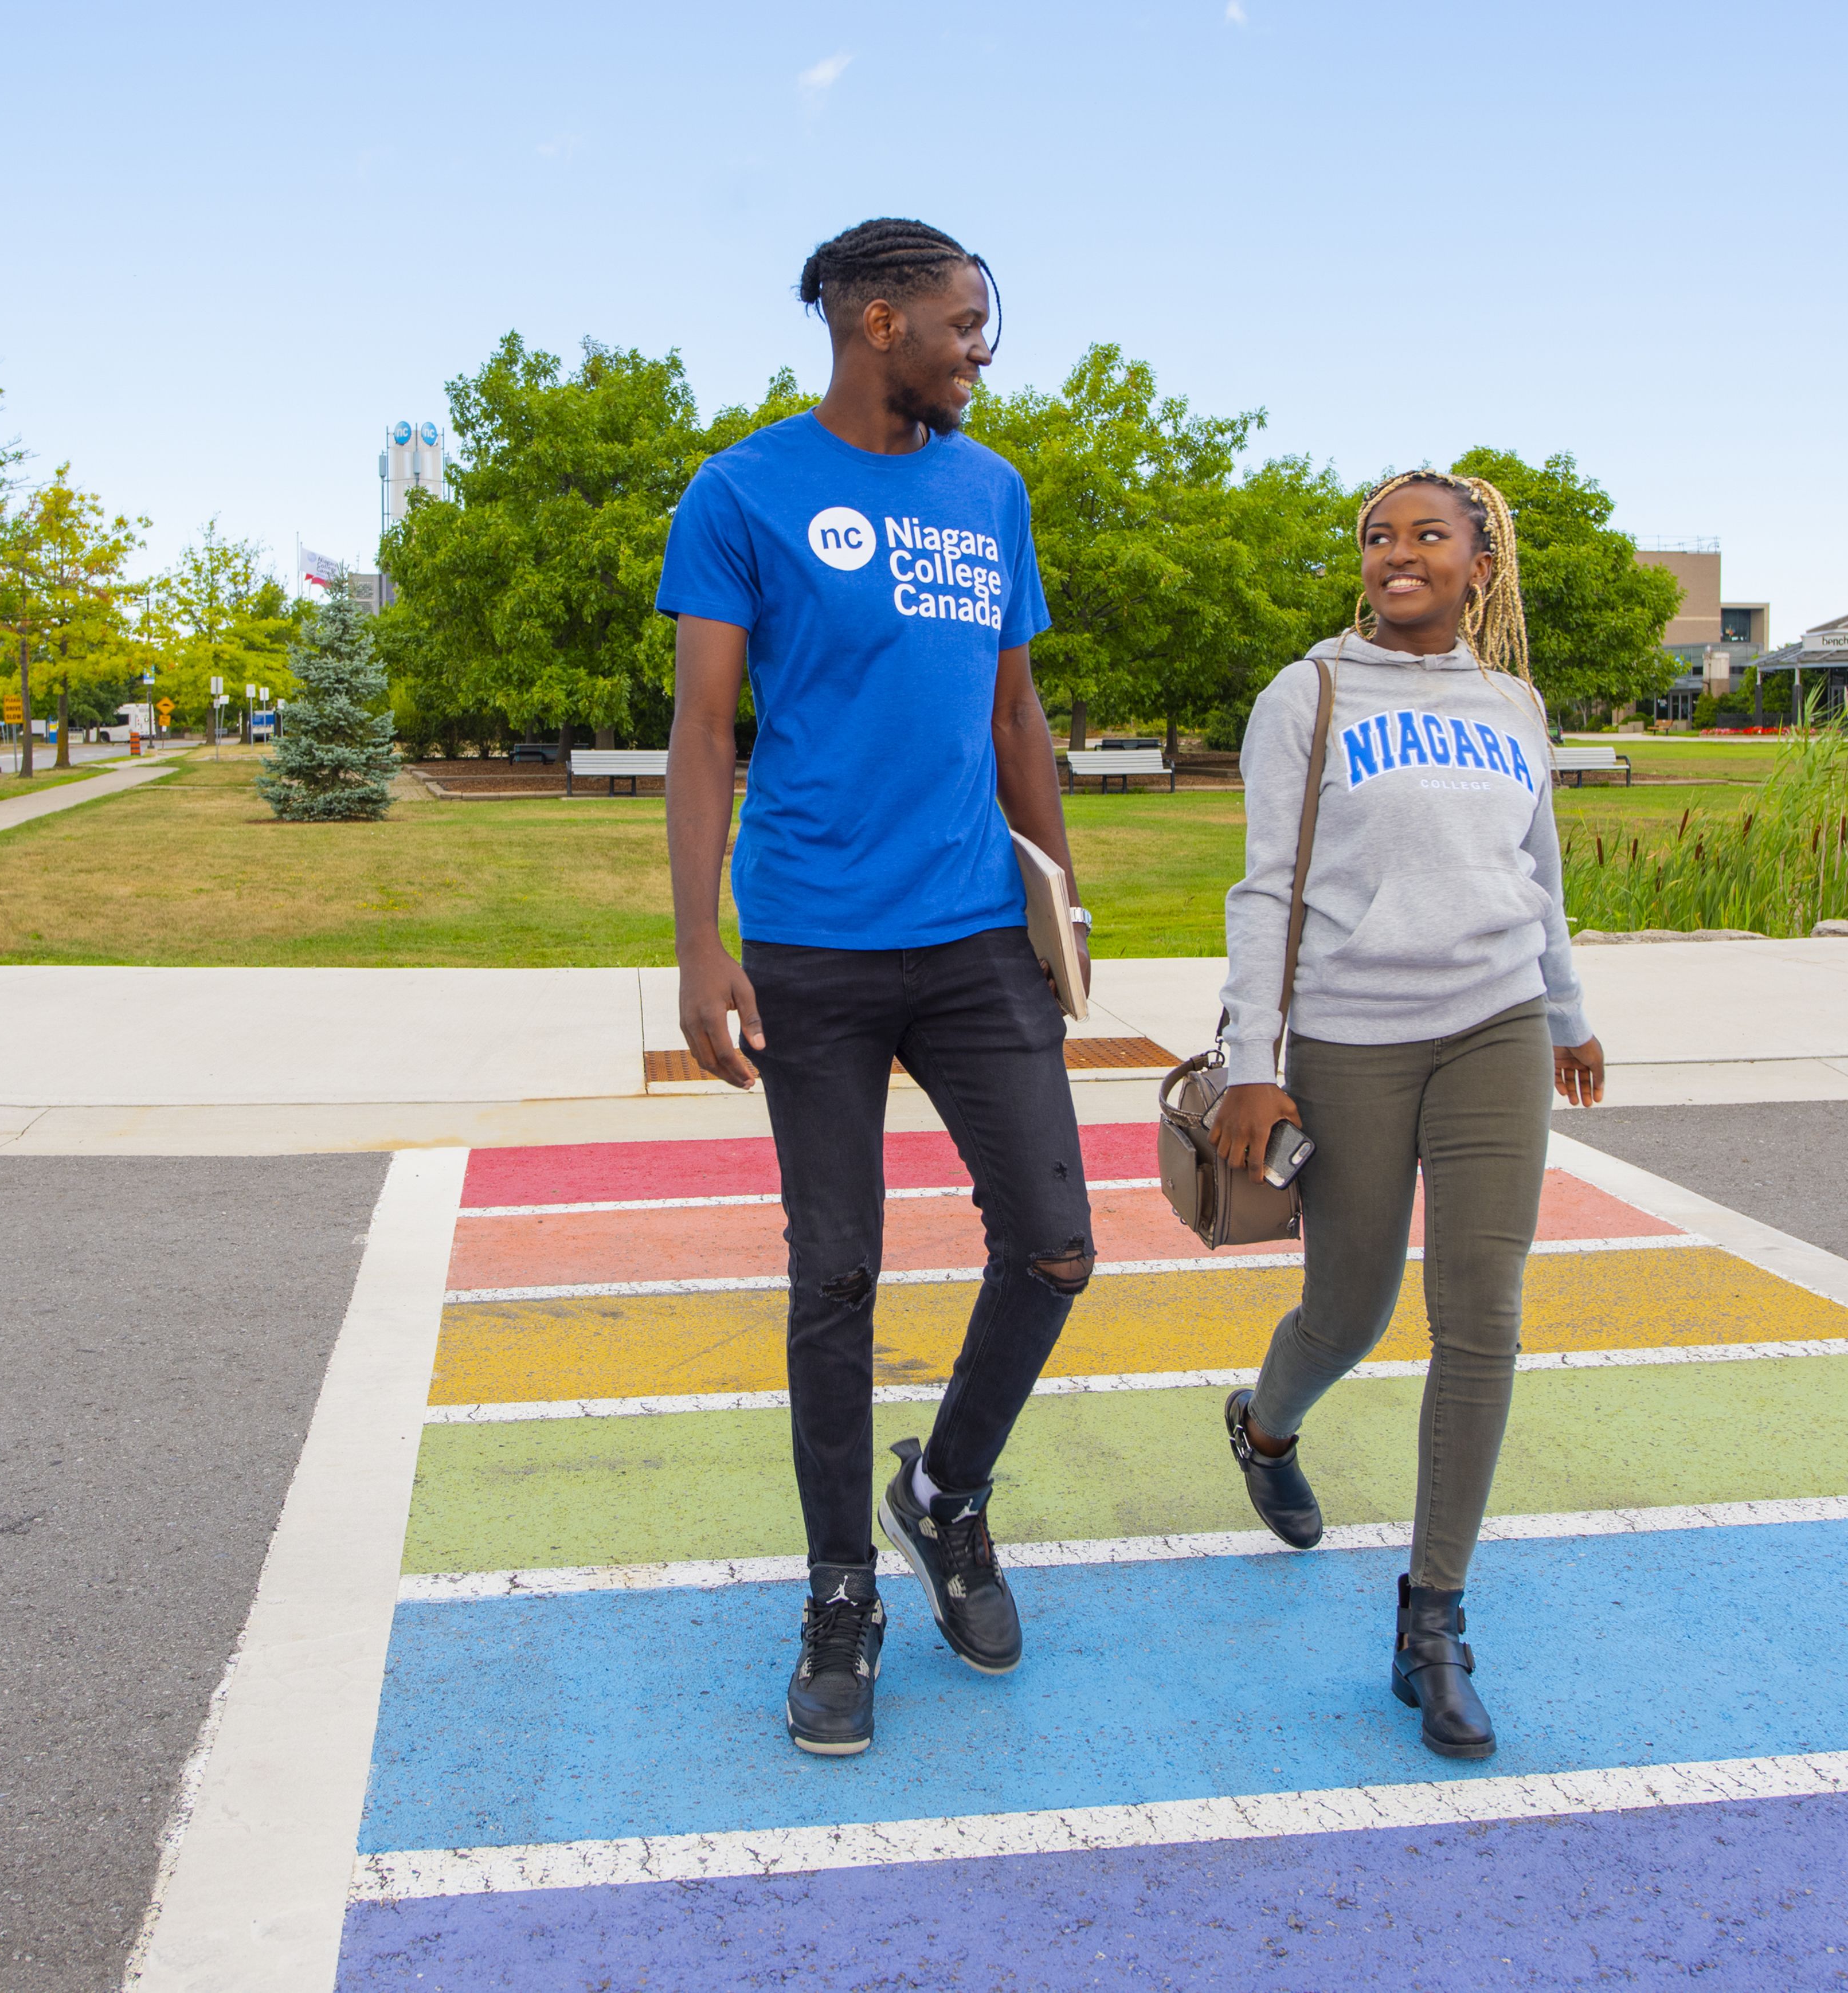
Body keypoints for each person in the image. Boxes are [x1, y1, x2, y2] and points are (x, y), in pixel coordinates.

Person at [657, 218, 1097, 1758]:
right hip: (813, 943)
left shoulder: (993, 491)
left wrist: (1063, 893)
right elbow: (706, 728)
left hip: (976, 932)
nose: (985, 346)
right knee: (835, 1275)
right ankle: (840, 1591)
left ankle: (944, 1493)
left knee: (1052, 1244)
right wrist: (700, 943)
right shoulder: (743, 491)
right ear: (877, 320)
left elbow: (1015, 710)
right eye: (967, 321)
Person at [1207, 470, 1606, 1760]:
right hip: (1348, 1036)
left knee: (1481, 1313)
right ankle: (1264, 1424)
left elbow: (1535, 878)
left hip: (1490, 1023)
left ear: (1478, 564)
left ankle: (1430, 1619)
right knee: (1352, 1307)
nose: (1397, 553)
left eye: (1427, 535)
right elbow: (1263, 888)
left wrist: (1564, 1009)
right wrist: (1251, 1058)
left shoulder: (1513, 705)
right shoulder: (1307, 693)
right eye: (1377, 536)